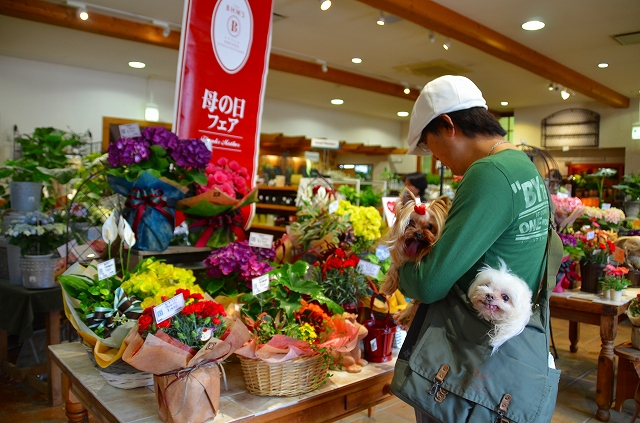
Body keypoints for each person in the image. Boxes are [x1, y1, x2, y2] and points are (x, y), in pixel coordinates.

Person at [398, 75, 553, 422]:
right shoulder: (523, 166)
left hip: (467, 355)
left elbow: (429, 282)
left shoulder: (488, 174)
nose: (436, 159)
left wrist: (401, 269)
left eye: (430, 144)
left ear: (448, 126)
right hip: (504, 343)